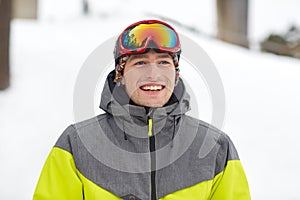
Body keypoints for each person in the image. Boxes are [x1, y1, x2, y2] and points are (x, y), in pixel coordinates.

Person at [33, 19, 251, 200]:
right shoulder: (77, 144)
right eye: (139, 63)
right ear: (121, 76)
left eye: (164, 62)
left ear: (176, 75)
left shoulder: (215, 147)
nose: (153, 74)